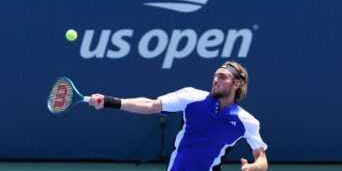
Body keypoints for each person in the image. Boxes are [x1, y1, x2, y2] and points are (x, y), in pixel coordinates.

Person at [88, 61, 268, 171]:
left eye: (222, 77)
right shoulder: (191, 97)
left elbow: (261, 158)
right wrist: (109, 101)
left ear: (236, 84)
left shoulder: (246, 121)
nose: (215, 80)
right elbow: (151, 105)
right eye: (215, 76)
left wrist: (254, 167)